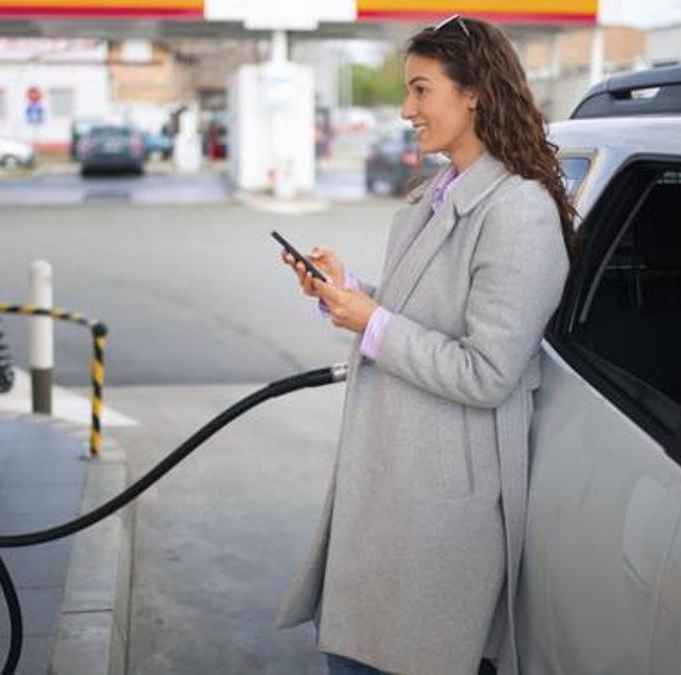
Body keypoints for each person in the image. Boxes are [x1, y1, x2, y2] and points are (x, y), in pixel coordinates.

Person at [276, 15, 576, 675]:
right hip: (392, 484)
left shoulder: (519, 211)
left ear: (473, 92)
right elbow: (419, 310)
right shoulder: (434, 195)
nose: (406, 109)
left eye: (420, 90)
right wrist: (347, 288)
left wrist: (368, 321)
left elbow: (487, 370)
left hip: (438, 508)